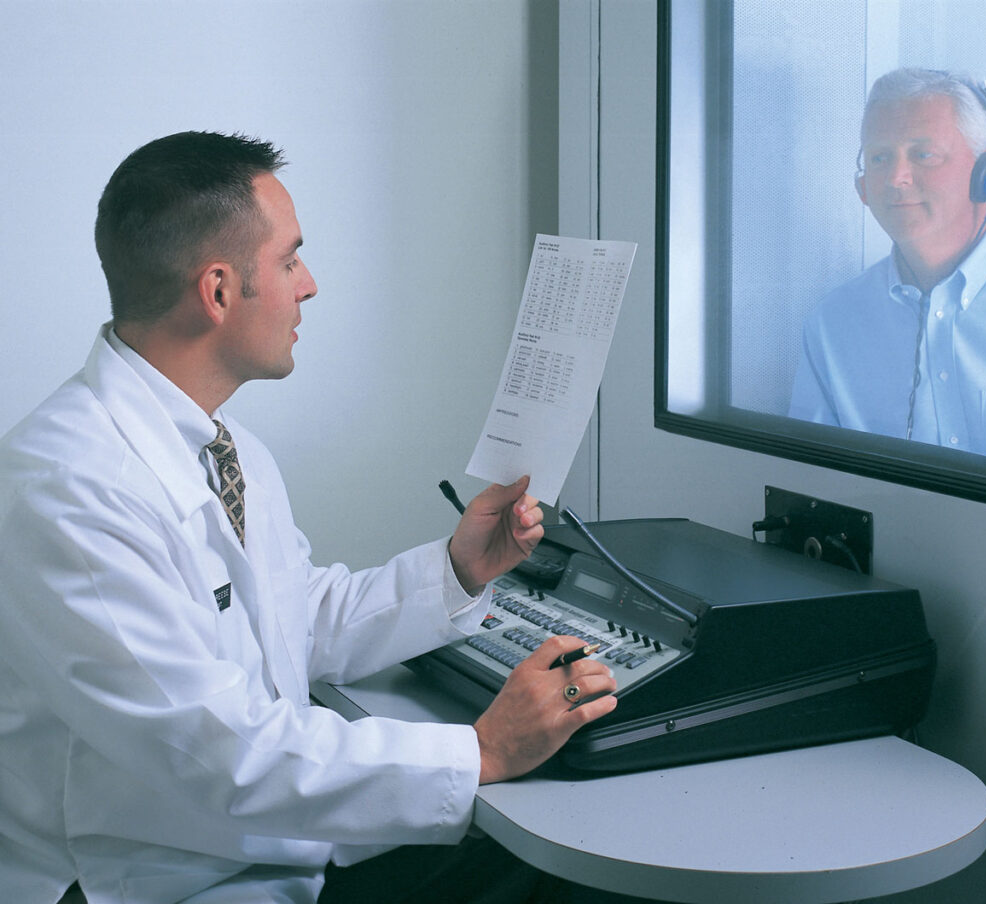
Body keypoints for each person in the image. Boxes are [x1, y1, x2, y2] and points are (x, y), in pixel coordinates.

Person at [0, 131, 618, 904]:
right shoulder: (69, 490)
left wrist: (459, 568)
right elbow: (223, 757)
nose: (310, 284)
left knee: (538, 871)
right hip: (150, 885)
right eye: (290, 260)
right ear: (218, 291)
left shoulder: (227, 447)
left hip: (253, 851)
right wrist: (481, 750)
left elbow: (294, 624)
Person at [789, 68, 986, 459]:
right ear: (862, 186)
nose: (896, 177)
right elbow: (812, 483)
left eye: (923, 154)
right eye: (880, 157)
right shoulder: (832, 326)